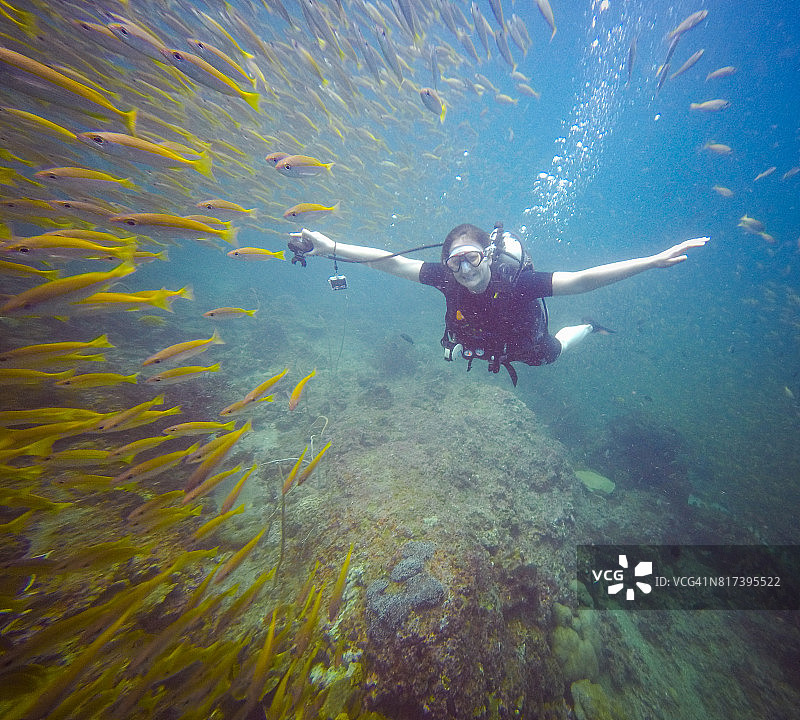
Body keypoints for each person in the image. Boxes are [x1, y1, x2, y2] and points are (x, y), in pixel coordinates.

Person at [289, 224, 709, 385]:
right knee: (453, 345)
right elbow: (389, 261)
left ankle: (587, 327)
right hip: (476, 342)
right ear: (447, 264)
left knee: (555, 352)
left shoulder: (520, 284)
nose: (466, 268)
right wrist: (330, 248)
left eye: (473, 257)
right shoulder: (445, 279)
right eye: (456, 261)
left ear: (487, 256)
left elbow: (583, 280)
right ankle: (459, 346)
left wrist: (653, 261)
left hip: (525, 348)